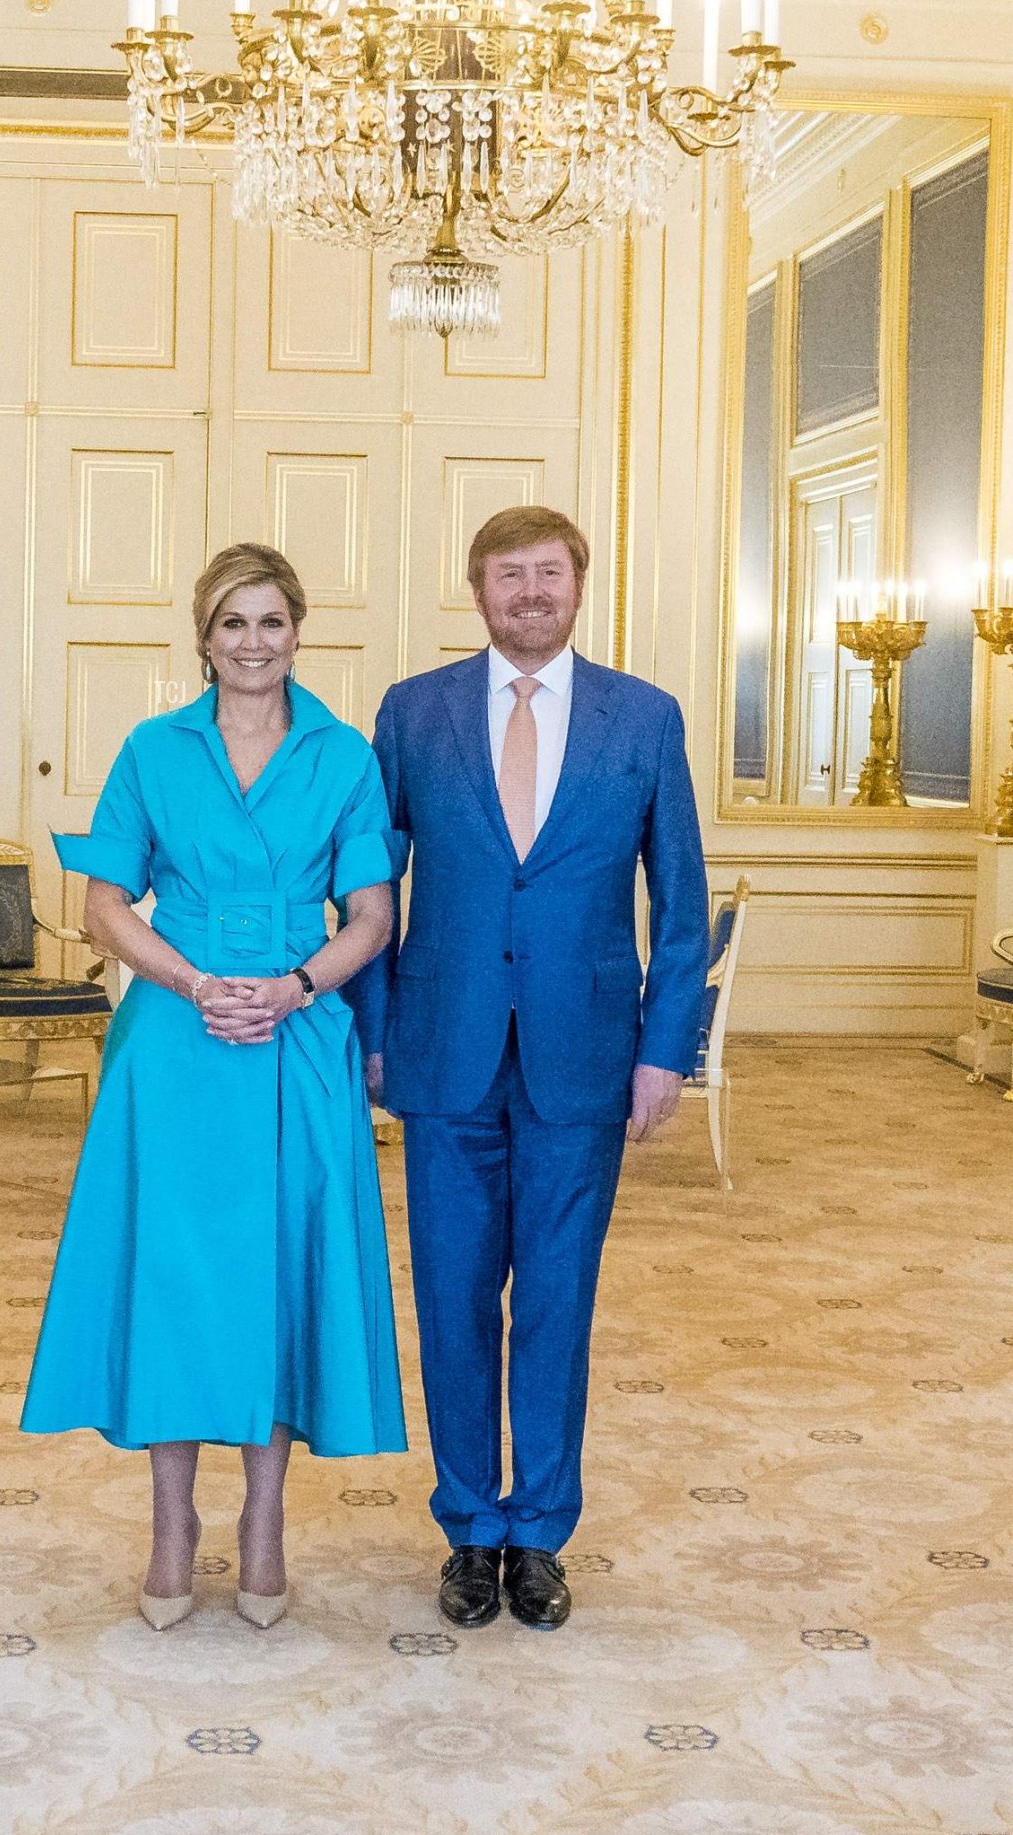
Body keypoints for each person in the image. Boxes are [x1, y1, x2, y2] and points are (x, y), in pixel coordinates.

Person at [21, 542, 406, 1632]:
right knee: (177, 1283)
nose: (252, 642)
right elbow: (106, 906)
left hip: (296, 1033)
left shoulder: (344, 755)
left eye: (272, 621)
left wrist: (289, 987)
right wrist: (194, 983)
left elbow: (373, 916)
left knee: (278, 1278)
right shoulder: (154, 747)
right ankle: (173, 1524)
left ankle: (267, 1523)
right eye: (233, 623)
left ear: (299, 631)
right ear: (203, 637)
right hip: (176, 1042)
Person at [344, 507, 708, 1631]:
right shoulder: (413, 712)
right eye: (511, 576)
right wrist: (371, 1025)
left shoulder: (643, 718)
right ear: (478, 590)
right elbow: (367, 884)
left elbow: (682, 903)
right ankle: (468, 1527)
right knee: (454, 1300)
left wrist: (664, 1049)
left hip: (586, 1058)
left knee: (556, 1300)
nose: (531, 592)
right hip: (440, 1048)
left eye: (549, 573)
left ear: (580, 584)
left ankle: (540, 1531)